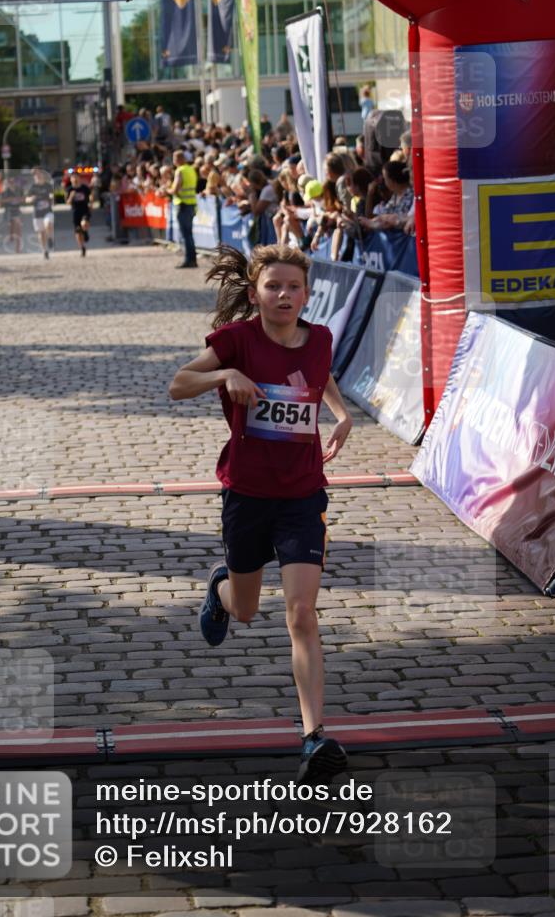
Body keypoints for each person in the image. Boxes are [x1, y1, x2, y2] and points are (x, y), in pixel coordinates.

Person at [169, 243, 353, 784]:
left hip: (302, 494)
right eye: (273, 286)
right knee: (246, 610)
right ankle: (221, 589)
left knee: (301, 614)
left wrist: (340, 415)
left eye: (294, 287)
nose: (284, 295)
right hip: (247, 494)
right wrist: (223, 377)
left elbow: (318, 378)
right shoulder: (236, 341)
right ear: (255, 294)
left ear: (307, 293)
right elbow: (179, 383)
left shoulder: (318, 338)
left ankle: (313, 736)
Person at [170, 150, 198, 269]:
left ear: (178, 159)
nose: (173, 161)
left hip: (182, 204)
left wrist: (168, 190)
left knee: (186, 234)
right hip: (191, 204)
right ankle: (192, 259)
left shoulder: (180, 170)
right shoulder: (191, 169)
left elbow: (176, 188)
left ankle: (189, 260)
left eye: (174, 159)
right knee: (189, 234)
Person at [26, 167, 54, 259]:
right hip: (37, 213)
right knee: (41, 233)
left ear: (42, 175)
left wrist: (51, 197)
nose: (37, 176)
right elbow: (27, 199)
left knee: (48, 224)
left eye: (39, 174)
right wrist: (31, 199)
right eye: (35, 175)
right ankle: (44, 250)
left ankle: (50, 238)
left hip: (47, 211)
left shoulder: (48, 186)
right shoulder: (32, 187)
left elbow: (52, 195)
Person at [66, 172, 92, 257]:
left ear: (79, 178)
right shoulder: (69, 189)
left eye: (76, 177)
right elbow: (68, 202)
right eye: (73, 178)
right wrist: (71, 196)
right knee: (78, 232)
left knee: (84, 224)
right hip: (75, 211)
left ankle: (85, 232)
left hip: (84, 210)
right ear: (71, 180)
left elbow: (90, 195)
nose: (75, 179)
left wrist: (91, 203)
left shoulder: (84, 188)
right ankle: (82, 247)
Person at [0, 176, 24, 254]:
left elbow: (24, 199)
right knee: (12, 226)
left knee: (19, 228)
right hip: (9, 211)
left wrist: (20, 199)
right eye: (10, 182)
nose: (12, 183)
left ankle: (17, 249)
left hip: (17, 211)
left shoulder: (19, 190)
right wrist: (9, 199)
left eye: (13, 181)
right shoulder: (5, 191)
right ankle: (11, 236)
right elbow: (0, 202)